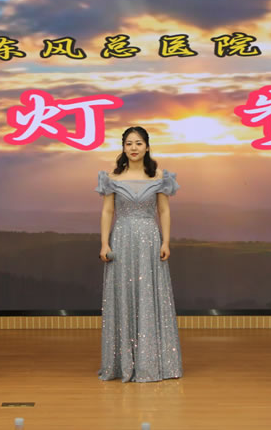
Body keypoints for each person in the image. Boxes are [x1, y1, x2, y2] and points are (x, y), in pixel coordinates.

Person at [96, 126, 182, 382]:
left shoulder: (160, 176)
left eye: (139, 143)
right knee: (122, 295)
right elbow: (107, 212)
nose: (133, 148)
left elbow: (164, 211)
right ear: (123, 147)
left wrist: (166, 241)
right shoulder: (111, 177)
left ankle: (151, 363)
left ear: (147, 146)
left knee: (149, 296)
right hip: (121, 240)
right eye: (129, 143)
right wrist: (104, 243)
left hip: (149, 240)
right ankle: (123, 363)